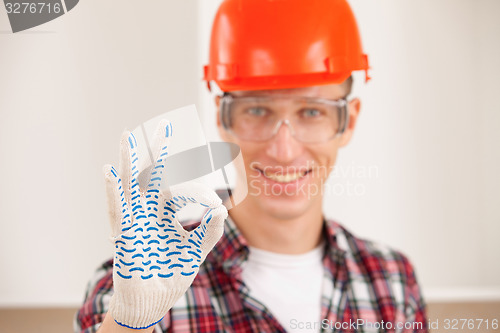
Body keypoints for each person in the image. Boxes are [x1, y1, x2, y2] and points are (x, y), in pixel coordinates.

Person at [75, 0, 428, 332]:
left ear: (348, 122)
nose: (284, 150)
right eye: (258, 110)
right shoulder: (132, 288)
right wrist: (128, 324)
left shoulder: (392, 282)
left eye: (312, 112)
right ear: (221, 117)